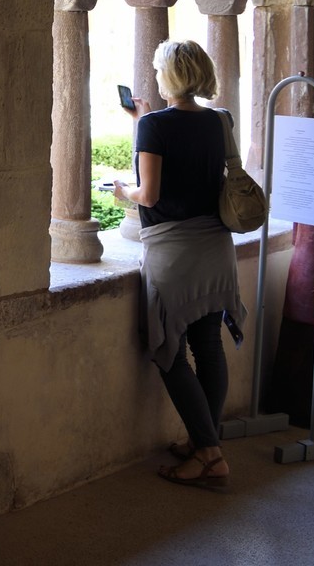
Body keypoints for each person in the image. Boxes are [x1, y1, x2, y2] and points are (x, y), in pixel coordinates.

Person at [112, 39, 246, 490]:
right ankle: (204, 443)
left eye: (157, 68)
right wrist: (142, 123)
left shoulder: (155, 125)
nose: (153, 74)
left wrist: (121, 191)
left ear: (168, 75)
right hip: (216, 248)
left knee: (168, 350)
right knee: (208, 346)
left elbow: (148, 195)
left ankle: (209, 455)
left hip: (175, 251)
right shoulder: (220, 120)